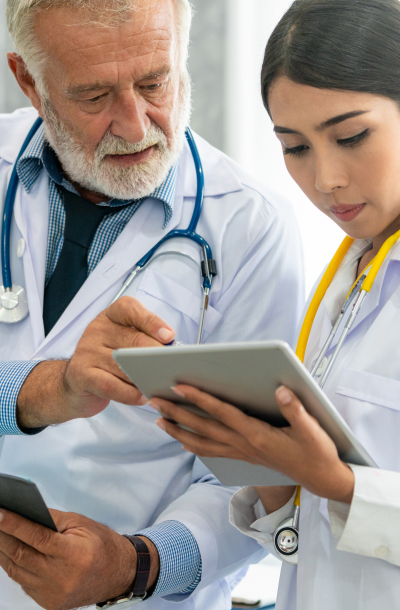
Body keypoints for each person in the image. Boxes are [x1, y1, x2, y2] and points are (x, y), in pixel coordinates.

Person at [0, 0, 304, 608]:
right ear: (29, 81)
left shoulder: (248, 228)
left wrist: (132, 565)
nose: (137, 125)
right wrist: (49, 389)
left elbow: (255, 479)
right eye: (94, 96)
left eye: (154, 82)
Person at [151, 0, 400, 609]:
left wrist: (335, 484)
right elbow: (311, 536)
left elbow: (349, 497)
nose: (326, 179)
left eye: (350, 137)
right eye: (295, 147)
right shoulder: (352, 270)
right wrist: (260, 461)